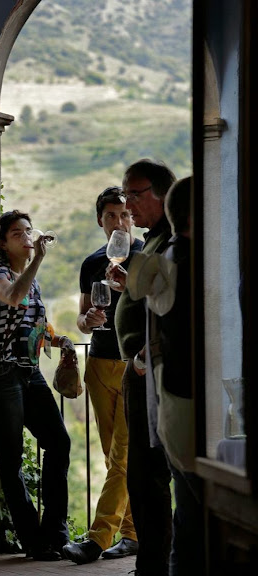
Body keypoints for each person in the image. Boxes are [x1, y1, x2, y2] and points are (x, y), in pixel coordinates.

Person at [0, 210, 72, 561]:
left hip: (28, 370)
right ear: (3, 243)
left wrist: (57, 339)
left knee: (58, 442)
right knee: (12, 456)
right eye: (17, 233)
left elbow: (32, 325)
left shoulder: (32, 279)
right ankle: (34, 542)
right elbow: (12, 299)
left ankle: (55, 534)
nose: (27, 236)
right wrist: (38, 262)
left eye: (28, 231)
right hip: (1, 372)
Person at [62, 186, 143, 565]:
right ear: (101, 221)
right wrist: (88, 320)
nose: (119, 221)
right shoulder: (92, 263)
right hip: (98, 365)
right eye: (111, 215)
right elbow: (81, 319)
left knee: (125, 457)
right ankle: (132, 534)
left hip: (134, 366)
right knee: (115, 459)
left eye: (124, 214)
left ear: (133, 217)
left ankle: (98, 538)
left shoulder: (146, 255)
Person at [110, 159, 176, 576]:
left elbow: (173, 307)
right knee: (140, 474)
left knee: (149, 474)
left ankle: (155, 565)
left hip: (151, 371)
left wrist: (141, 358)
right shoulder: (152, 240)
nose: (127, 203)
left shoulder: (173, 243)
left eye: (135, 194)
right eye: (125, 193)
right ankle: (152, 561)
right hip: (140, 370)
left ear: (162, 193)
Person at [148, 176, 205, 576]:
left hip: (171, 396)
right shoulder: (188, 265)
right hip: (190, 400)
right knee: (198, 516)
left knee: (187, 515)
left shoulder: (166, 258)